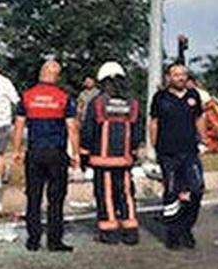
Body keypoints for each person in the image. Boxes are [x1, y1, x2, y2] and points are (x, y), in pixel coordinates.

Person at [12, 59, 80, 252]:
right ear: (56, 76)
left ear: (41, 73)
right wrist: (76, 153)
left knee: (33, 197)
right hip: (56, 153)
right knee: (56, 198)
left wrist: (16, 151)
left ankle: (33, 240)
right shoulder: (64, 98)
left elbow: (18, 126)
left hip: (34, 152)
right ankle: (54, 241)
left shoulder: (26, 97)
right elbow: (72, 128)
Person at [81, 61, 143, 245]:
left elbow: (88, 130)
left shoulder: (98, 102)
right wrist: (133, 150)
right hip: (124, 159)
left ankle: (109, 232)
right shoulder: (132, 103)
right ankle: (131, 231)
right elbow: (138, 129)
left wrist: (84, 154)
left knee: (105, 193)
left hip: (102, 158)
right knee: (126, 193)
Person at [149, 62, 207, 250]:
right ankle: (173, 233)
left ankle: (186, 228)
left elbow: (199, 118)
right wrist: (154, 148)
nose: (180, 78)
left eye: (183, 74)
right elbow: (154, 123)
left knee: (196, 189)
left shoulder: (193, 95)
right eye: (176, 74)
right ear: (169, 77)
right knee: (172, 192)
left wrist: (204, 140)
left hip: (190, 151)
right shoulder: (160, 97)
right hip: (168, 153)